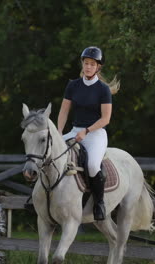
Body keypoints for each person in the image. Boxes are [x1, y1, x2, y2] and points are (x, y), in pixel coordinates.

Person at [57, 46, 120, 221]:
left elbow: (106, 119)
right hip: (75, 130)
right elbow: (63, 112)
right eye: (86, 63)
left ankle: (99, 203)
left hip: (96, 133)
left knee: (92, 165)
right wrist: (59, 133)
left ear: (98, 67)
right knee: (51, 154)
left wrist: (87, 131)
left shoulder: (103, 90)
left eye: (92, 64)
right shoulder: (73, 85)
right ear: (82, 64)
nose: (88, 67)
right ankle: (37, 197)